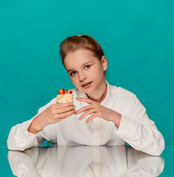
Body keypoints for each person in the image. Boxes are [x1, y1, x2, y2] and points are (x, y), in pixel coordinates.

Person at [7, 35, 165, 155]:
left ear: (103, 63)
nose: (81, 77)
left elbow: (157, 146)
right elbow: (13, 144)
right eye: (73, 72)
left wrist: (114, 116)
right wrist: (39, 122)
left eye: (87, 66)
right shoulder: (61, 106)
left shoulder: (126, 100)